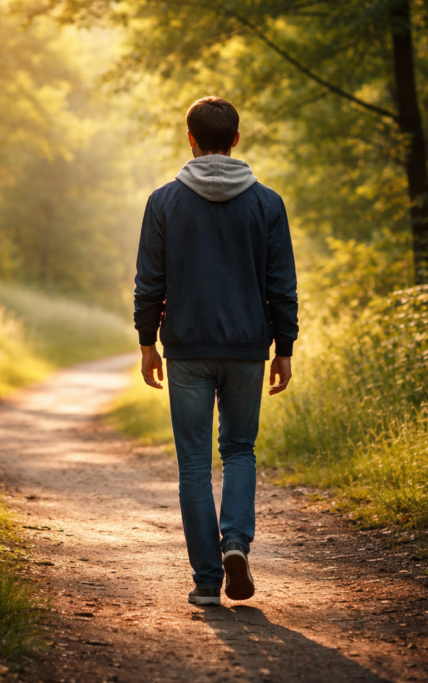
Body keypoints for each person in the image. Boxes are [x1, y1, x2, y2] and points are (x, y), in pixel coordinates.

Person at [133, 96, 298, 605]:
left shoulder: (164, 201)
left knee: (194, 465)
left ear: (190, 139)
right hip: (249, 347)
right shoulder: (268, 203)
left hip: (187, 347)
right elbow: (281, 284)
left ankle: (207, 582)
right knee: (240, 450)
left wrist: (146, 342)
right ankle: (235, 543)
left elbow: (149, 283)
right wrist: (284, 347)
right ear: (236, 140)